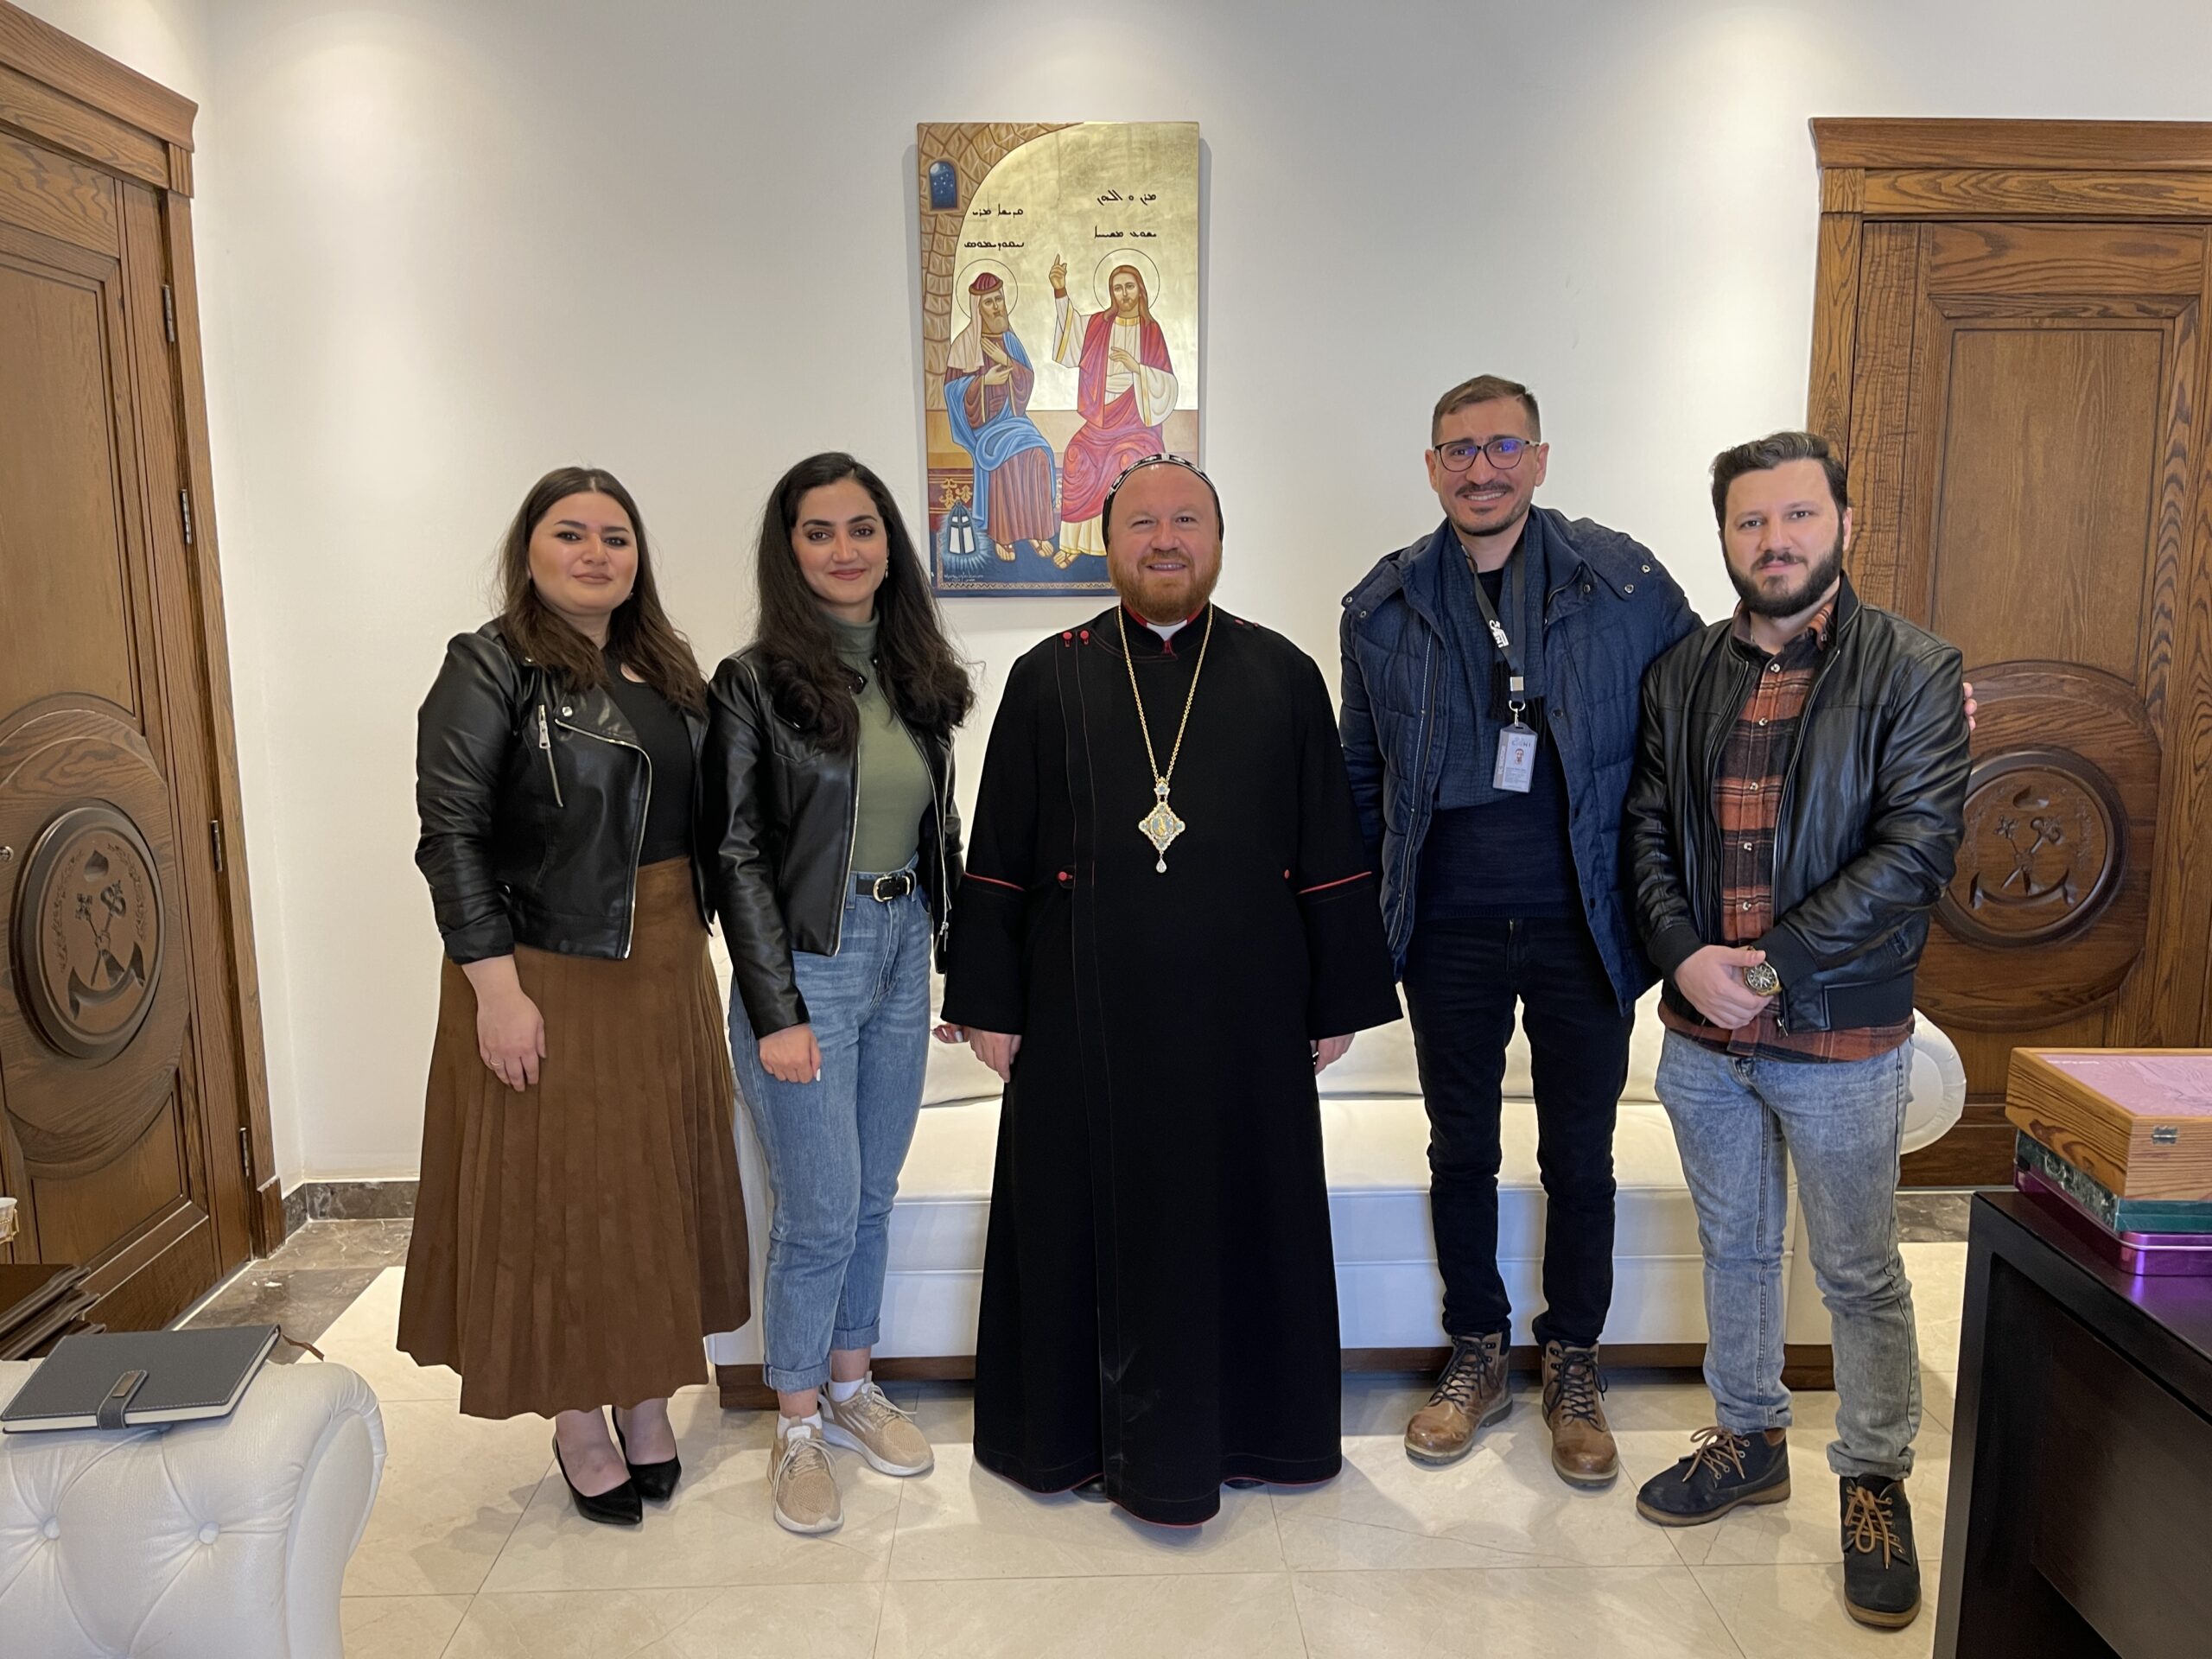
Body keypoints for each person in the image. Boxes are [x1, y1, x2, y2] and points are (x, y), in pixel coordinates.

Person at [941, 454, 1402, 1527]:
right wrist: (990, 1004)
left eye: (1185, 520)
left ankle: (1252, 1434)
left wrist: (1333, 999)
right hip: (1075, 1019)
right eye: (1140, 522)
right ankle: (1065, 1442)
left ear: (1218, 540)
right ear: (1106, 546)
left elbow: (1329, 848)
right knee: (1076, 1219)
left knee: (1244, 1216)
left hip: (1245, 1022)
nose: (1163, 539)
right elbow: (998, 852)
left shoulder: (1282, 674)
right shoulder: (1045, 676)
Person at [1624, 430, 1969, 1632]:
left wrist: (1770, 966)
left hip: (1841, 1034)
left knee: (1861, 1273)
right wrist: (1683, 959)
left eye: (1797, 518)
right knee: (1736, 1254)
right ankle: (1750, 1437)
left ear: (1842, 524)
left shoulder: (1916, 669)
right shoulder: (1682, 674)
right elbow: (1649, 836)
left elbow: (1915, 849)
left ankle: (1873, 1481)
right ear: (1723, 537)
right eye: (1750, 523)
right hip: (1703, 1039)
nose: (1774, 542)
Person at [1339, 375, 1696, 1487]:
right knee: (1462, 1148)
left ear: (1539, 459)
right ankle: (1477, 1351)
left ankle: (1573, 1360)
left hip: (1585, 920)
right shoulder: (1382, 604)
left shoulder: (1625, 583)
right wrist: (1353, 934)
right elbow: (1359, 778)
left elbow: (1708, 709)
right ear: (1432, 465)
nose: (1479, 469)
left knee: (1578, 1153)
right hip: (1442, 925)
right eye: (1457, 450)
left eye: (1502, 447)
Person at [402, 466, 749, 1529]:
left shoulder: (668, 668)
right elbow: (450, 838)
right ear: (530, 549)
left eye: (616, 536)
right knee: (558, 1200)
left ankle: (644, 1397)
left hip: (662, 961)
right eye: (571, 533)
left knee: (648, 1191)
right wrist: (496, 994)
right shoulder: (489, 665)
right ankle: (574, 1420)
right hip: (546, 965)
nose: (597, 552)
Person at [702, 453, 974, 1535]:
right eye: (820, 532)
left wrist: (959, 958)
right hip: (808, 957)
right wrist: (776, 1010)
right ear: (790, 548)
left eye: (863, 528)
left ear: (889, 543)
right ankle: (798, 1423)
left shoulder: (915, 673)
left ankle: (856, 1391)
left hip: (904, 941)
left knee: (872, 1196)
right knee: (816, 1212)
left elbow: (936, 829)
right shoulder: (754, 682)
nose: (846, 549)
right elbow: (735, 854)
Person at [1048, 256, 1178, 563]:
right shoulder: (1099, 325)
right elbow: (1071, 336)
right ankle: (1074, 545)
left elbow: (1167, 384)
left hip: (1136, 424)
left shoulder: (1151, 331)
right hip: (1101, 421)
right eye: (1117, 288)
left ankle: (1126, 548)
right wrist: (1059, 292)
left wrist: (1137, 369)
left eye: (1129, 287)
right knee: (1076, 454)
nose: (1124, 294)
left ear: (1141, 290)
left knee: (1128, 461)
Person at [944, 272, 1060, 563]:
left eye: (999, 299)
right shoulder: (964, 345)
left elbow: (1027, 379)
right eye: (989, 302)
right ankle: (1004, 536)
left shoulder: (1010, 341)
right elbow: (951, 392)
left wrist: (1006, 360)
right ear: (976, 307)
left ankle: (1036, 530)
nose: (997, 307)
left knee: (1038, 454)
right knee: (1004, 460)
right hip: (984, 429)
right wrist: (984, 382)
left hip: (1014, 422)